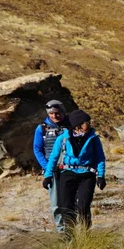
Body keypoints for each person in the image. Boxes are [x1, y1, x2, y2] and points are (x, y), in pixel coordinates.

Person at [48, 110, 106, 233]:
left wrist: (101, 175)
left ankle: (85, 233)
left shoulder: (93, 138)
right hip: (67, 174)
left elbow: (100, 157)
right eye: (86, 122)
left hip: (87, 175)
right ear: (77, 124)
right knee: (66, 207)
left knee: (83, 207)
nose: (89, 124)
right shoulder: (62, 138)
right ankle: (69, 234)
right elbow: (53, 157)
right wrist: (48, 175)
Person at [31, 99, 67, 227]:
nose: (54, 116)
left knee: (73, 200)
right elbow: (37, 149)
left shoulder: (71, 125)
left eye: (57, 113)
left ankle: (75, 227)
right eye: (51, 113)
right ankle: (62, 230)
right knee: (56, 203)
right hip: (51, 171)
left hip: (71, 169)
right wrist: (47, 168)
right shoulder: (42, 128)